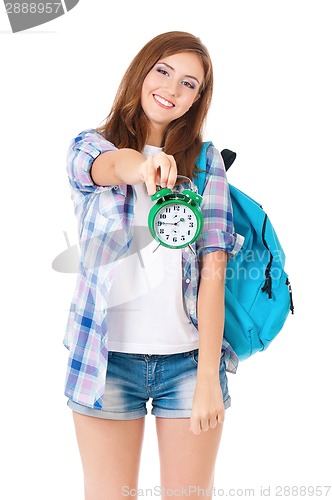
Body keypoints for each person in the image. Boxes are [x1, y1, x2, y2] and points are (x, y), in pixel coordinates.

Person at [63, 31, 244, 500]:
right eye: (163, 71)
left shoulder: (207, 164)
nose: (172, 88)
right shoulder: (89, 147)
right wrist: (141, 167)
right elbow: (110, 166)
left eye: (189, 84)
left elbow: (214, 267)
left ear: (196, 100)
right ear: (142, 72)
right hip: (104, 362)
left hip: (188, 363)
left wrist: (207, 377)